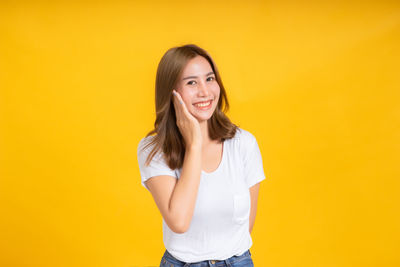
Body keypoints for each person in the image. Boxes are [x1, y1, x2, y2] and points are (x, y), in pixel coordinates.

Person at [137, 44, 266, 267]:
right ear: (172, 92)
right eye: (191, 82)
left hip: (239, 262)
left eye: (209, 79)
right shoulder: (154, 150)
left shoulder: (243, 143)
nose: (205, 92)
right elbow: (179, 221)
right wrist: (194, 144)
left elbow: (244, 227)